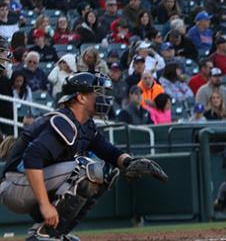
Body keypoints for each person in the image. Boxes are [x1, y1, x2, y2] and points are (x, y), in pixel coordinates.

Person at [0, 72, 167, 240]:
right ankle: (42, 233)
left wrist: (129, 162)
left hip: (33, 183)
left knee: (106, 171)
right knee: (88, 169)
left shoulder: (85, 124)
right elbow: (32, 157)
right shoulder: (63, 121)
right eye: (98, 92)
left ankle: (57, 233)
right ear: (81, 98)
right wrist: (44, 205)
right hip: (16, 185)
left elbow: (108, 151)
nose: (104, 97)